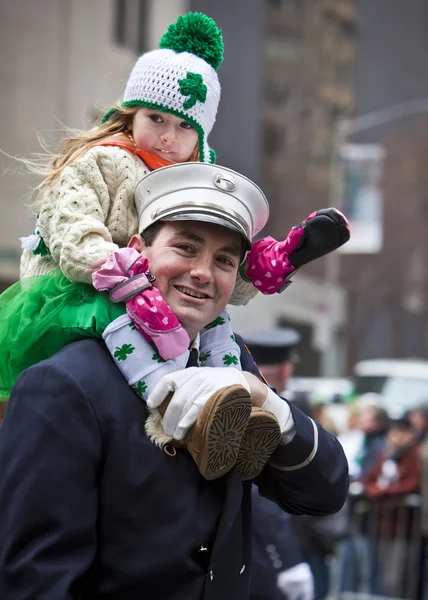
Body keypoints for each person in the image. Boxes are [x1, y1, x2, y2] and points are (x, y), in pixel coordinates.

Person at [0, 11, 350, 459]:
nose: (168, 137)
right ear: (130, 114)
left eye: (185, 126)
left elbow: (206, 266)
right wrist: (124, 279)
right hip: (87, 285)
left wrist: (251, 270)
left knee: (216, 321)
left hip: (154, 285)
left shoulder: (195, 184)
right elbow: (71, 227)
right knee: (122, 324)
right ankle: (174, 408)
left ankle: (232, 408)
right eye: (157, 119)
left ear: (201, 134)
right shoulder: (102, 161)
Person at [0, 161, 349, 599]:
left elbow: (323, 491)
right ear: (137, 253)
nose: (204, 272)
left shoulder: (231, 366)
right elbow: (38, 581)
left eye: (224, 260)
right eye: (186, 248)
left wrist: (269, 403)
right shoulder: (65, 384)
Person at [243, 328, 315, 600]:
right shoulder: (268, 416)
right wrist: (287, 560)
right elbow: (260, 496)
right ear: (285, 371)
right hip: (265, 552)